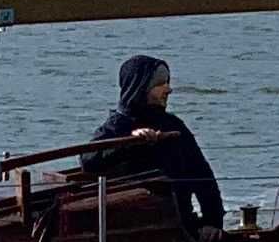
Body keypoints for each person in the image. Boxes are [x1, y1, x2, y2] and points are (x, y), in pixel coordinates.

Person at [77, 53, 225, 231]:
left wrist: (212, 222)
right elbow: (88, 161)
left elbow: (203, 176)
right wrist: (129, 142)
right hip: (131, 231)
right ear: (139, 88)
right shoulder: (116, 126)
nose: (168, 89)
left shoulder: (174, 126)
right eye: (160, 84)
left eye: (168, 82)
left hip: (180, 224)